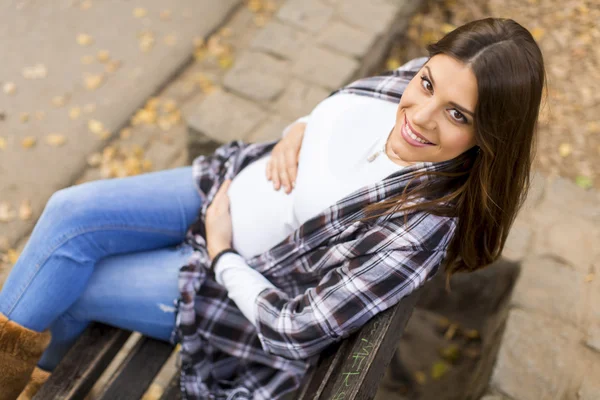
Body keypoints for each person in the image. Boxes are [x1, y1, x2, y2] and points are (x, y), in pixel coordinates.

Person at [0, 17, 545, 400]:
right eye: (427, 84)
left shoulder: (420, 227)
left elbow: (298, 327)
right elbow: (338, 115)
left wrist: (220, 254)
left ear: (490, 135)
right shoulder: (423, 76)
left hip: (221, 282)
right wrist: (297, 130)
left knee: (72, 283)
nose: (421, 116)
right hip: (228, 182)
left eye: (456, 115)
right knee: (68, 213)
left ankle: (39, 380)